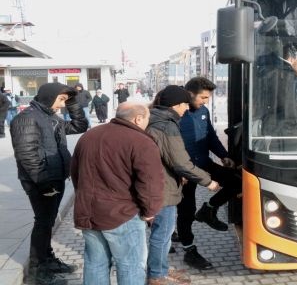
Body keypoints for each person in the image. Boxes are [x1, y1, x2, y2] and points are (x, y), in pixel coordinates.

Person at [70, 102, 164, 285]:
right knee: (130, 265)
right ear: (138, 118)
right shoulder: (141, 141)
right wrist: (150, 211)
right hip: (123, 214)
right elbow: (150, 182)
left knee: (95, 264)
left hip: (88, 212)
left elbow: (76, 174)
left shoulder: (89, 135)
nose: (147, 123)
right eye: (147, 119)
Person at [10, 83, 88, 285]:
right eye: (61, 99)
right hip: (42, 181)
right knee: (43, 223)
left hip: (54, 178)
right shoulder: (26, 118)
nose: (63, 104)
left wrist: (73, 103)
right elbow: (27, 155)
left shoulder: (50, 117)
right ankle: (37, 270)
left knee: (48, 222)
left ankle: (48, 259)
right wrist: (44, 183)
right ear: (48, 97)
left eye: (65, 100)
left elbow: (80, 126)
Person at [145, 85, 220, 285]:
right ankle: (156, 275)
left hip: (157, 181)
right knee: (163, 234)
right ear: (176, 104)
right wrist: (208, 181)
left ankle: (159, 269)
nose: (187, 108)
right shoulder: (167, 125)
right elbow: (179, 161)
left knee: (162, 233)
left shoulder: (153, 118)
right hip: (164, 186)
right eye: (185, 104)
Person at [176, 77, 241, 270]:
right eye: (203, 97)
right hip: (184, 172)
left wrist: (223, 155)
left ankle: (208, 210)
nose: (206, 101)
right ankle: (189, 249)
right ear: (190, 94)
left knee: (236, 182)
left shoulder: (203, 111)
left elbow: (210, 136)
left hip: (204, 164)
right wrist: (177, 171)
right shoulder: (176, 113)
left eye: (208, 98)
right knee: (186, 211)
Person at [257, 41, 297, 150]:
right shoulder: (282, 74)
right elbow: (287, 107)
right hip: (283, 139)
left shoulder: (277, 72)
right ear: (292, 57)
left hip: (281, 135)